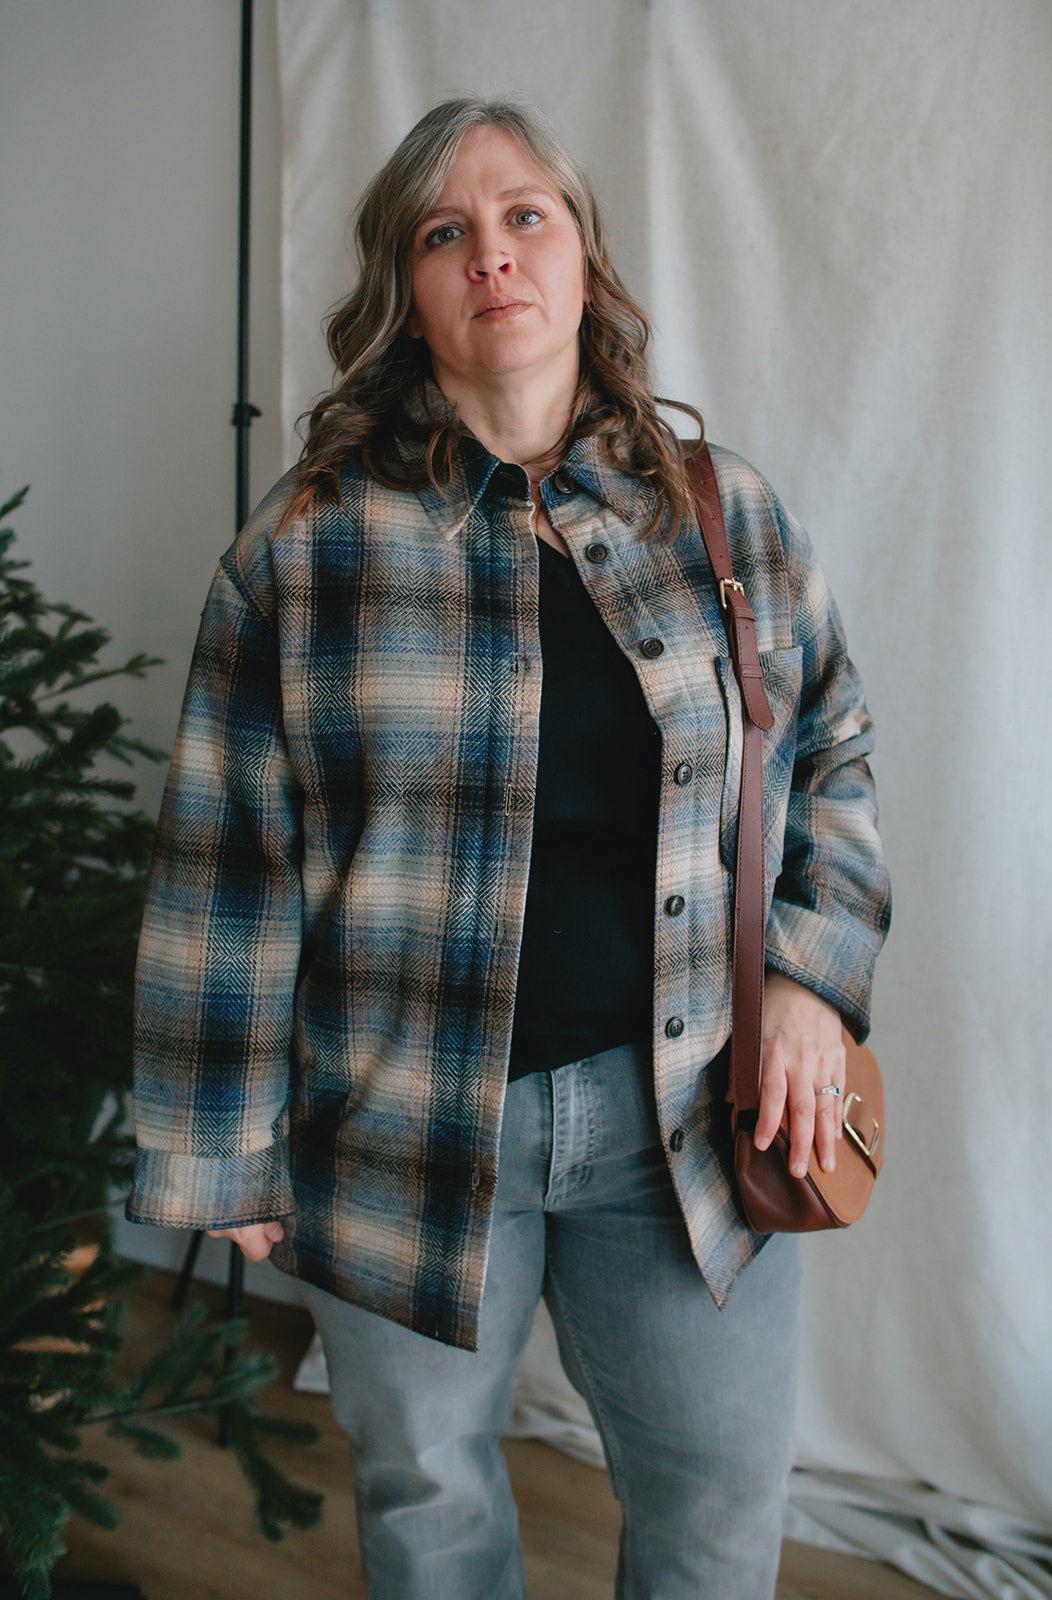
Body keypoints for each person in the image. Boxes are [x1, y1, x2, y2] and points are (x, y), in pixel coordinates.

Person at [128, 96, 890, 1600]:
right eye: (445, 231)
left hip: (685, 1115)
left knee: (719, 1510)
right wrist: (221, 1150)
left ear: (583, 255)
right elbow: (225, 864)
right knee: (428, 1507)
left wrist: (810, 979)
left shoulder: (721, 513)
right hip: (394, 1127)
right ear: (404, 290)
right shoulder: (306, 546)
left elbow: (833, 754)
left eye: (524, 214)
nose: (492, 253)